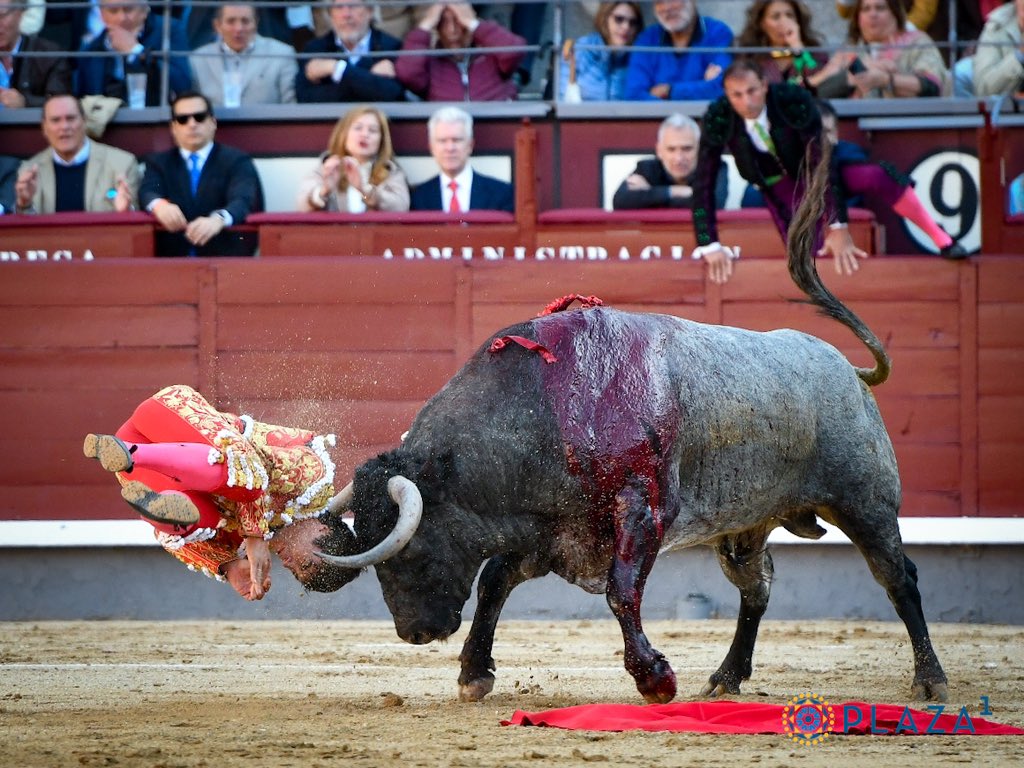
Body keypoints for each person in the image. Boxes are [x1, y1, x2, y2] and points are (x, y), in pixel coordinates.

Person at [83, 384, 359, 600]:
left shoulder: (243, 546)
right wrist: (255, 534)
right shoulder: (314, 478)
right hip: (171, 417)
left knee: (196, 524)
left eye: (295, 573)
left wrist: (229, 568)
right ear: (323, 532)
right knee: (243, 472)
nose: (288, 565)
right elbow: (257, 463)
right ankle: (132, 455)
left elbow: (170, 541)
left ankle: (136, 463)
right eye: (306, 565)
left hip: (149, 473)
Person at [690, 59, 863, 285]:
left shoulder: (790, 100)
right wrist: (708, 242)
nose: (747, 102)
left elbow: (821, 163)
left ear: (764, 84)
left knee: (875, 178)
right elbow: (703, 183)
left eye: (751, 91)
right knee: (803, 255)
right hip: (772, 184)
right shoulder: (718, 117)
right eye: (737, 95)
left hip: (808, 174)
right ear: (726, 95)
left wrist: (837, 223)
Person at [817, 99, 965, 257]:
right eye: (822, 133)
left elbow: (843, 179)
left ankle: (940, 237)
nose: (830, 139)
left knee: (878, 175)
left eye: (831, 131)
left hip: (833, 194)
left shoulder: (840, 156)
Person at [139, 91, 263, 257]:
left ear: (213, 122)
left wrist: (218, 219)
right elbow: (148, 191)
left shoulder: (237, 161)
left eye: (199, 117)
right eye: (183, 119)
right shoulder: (158, 163)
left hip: (223, 262)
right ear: (174, 128)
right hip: (172, 264)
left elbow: (243, 200)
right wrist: (159, 205)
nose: (192, 124)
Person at [13, 94, 139, 214]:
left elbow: (133, 227)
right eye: (56, 120)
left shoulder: (122, 164)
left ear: (84, 122)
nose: (64, 126)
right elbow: (26, 232)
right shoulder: (29, 172)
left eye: (71, 118)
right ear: (44, 128)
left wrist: (126, 212)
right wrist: (24, 205)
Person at [396, 1, 526, 101]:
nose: (452, 30)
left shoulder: (491, 54)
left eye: (458, 21)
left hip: (496, 127)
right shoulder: (431, 62)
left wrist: (473, 24)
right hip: (450, 132)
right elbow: (408, 74)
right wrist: (426, 25)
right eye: (443, 22)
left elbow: (515, 51)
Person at [823, 0, 950, 98]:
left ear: (895, 13)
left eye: (880, 8)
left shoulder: (917, 43)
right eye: (865, 9)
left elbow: (933, 87)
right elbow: (820, 94)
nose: (873, 14)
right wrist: (852, 77)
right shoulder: (851, 50)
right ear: (858, 18)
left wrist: (886, 80)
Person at [76, 0, 192, 107]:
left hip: (154, 119)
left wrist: (136, 51)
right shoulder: (91, 50)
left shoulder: (169, 29)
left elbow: (182, 84)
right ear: (102, 15)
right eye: (113, 11)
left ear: (145, 10)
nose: (121, 18)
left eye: (128, 10)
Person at [296, 105, 410, 213]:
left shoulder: (390, 172)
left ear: (381, 140)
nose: (365, 134)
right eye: (358, 128)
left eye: (373, 130)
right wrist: (325, 191)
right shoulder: (327, 168)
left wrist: (364, 192)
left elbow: (401, 207)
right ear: (344, 134)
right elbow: (301, 206)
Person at [189, 3, 298, 107]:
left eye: (245, 21)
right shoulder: (198, 59)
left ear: (256, 23)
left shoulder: (282, 54)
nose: (239, 28)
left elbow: (291, 106)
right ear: (217, 26)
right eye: (231, 21)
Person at [295, 0, 405, 103]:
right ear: (330, 15)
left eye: (353, 6)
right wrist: (370, 80)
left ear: (370, 11)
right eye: (339, 7)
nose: (346, 14)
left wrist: (336, 68)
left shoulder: (390, 46)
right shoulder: (316, 49)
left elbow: (393, 95)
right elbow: (305, 97)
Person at [612, 113, 728, 210]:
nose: (679, 158)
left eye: (687, 149)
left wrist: (651, 195)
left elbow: (714, 205)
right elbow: (620, 201)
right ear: (659, 151)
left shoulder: (715, 167)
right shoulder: (647, 168)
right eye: (671, 150)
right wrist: (676, 191)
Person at [410, 106, 514, 213]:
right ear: (431, 147)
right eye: (442, 141)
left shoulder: (502, 193)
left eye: (457, 140)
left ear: (470, 145)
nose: (450, 148)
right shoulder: (418, 196)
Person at [624, 0, 733, 101]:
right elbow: (634, 95)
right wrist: (701, 87)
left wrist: (669, 91)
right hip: (657, 121)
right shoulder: (647, 39)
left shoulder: (718, 33)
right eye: (659, 1)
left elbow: (725, 87)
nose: (667, 7)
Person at [736, 0, 848, 96]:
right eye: (776, 17)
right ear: (762, 24)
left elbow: (822, 83)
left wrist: (797, 46)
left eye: (790, 16)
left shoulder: (813, 53)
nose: (785, 22)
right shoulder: (751, 57)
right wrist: (810, 82)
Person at [559, 1, 642, 101]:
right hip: (582, 115)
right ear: (605, 18)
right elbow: (562, 97)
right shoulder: (581, 50)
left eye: (632, 23)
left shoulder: (638, 58)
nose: (626, 27)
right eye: (619, 19)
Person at [0, 0, 72, 108]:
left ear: (20, 13)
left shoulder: (49, 56)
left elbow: (61, 103)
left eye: (2, 15)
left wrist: (25, 103)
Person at [973, 0, 1024, 98]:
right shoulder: (998, 22)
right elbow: (983, 90)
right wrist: (1019, 57)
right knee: (961, 72)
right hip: (1005, 108)